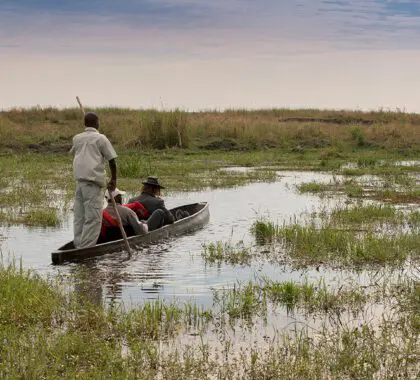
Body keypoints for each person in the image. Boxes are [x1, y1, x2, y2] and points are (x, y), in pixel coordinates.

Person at [71, 112, 117, 248]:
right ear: (97, 123)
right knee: (93, 219)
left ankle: (78, 244)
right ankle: (84, 250)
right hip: (92, 184)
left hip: (80, 183)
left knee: (79, 217)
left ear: (85, 124)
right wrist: (114, 179)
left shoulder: (76, 138)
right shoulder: (101, 138)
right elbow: (112, 160)